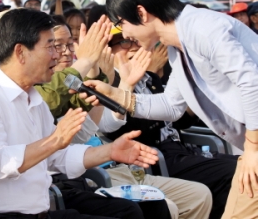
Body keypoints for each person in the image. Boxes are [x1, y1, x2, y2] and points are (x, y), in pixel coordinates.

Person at [79, 0, 258, 219]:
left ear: (141, 13)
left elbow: (251, 82)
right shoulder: (179, 47)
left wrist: (252, 149)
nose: (126, 35)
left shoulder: (202, 29)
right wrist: (119, 96)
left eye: (122, 24)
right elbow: (172, 106)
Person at [0, 8, 159, 218]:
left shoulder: (33, 96)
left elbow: (57, 156)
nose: (57, 55)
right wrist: (55, 140)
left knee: (131, 213)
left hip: (41, 212)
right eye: (50, 47)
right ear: (20, 52)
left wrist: (110, 151)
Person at [37, 17, 212, 219]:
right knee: (161, 207)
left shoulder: (77, 80)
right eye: (57, 46)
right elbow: (76, 141)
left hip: (120, 166)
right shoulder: (45, 91)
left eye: (70, 44)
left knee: (198, 195)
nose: (66, 52)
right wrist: (98, 74)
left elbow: (104, 124)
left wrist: (123, 85)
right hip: (94, 174)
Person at [99, 26, 235, 218]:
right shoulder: (109, 84)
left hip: (181, 149)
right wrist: (127, 85)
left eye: (135, 40)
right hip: (156, 158)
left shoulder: (150, 77)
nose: (133, 47)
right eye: (123, 42)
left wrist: (190, 92)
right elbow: (118, 130)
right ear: (107, 50)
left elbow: (176, 121)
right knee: (234, 172)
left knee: (244, 166)